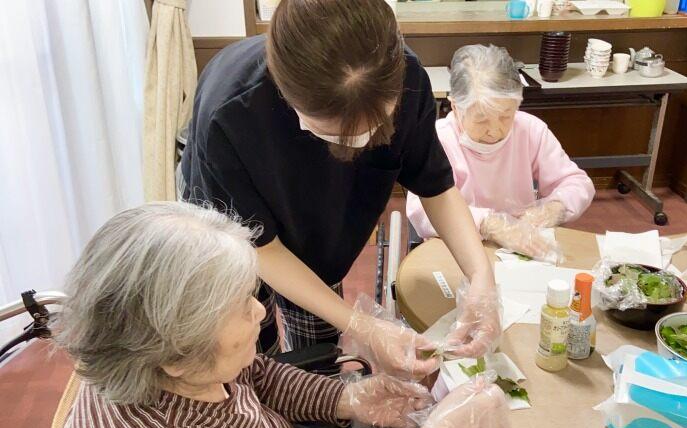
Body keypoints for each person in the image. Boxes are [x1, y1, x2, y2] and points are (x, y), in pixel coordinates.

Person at [179, 0, 499, 377]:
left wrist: (482, 278)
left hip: (321, 227)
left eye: (375, 127)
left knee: (318, 354)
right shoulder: (230, 112)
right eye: (334, 133)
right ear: (287, 96)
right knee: (249, 347)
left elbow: (436, 186)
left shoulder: (407, 77)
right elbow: (260, 247)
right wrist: (363, 325)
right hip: (233, 233)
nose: (357, 145)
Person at [54, 202, 511, 428]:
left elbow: (254, 373)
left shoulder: (156, 349)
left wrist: (345, 398)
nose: (259, 311)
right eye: (238, 308)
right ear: (175, 357)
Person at [407, 44, 595, 259]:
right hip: (458, 247)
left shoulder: (530, 130)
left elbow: (577, 183)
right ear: (456, 106)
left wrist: (554, 207)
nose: (495, 130)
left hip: (521, 246)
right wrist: (491, 224)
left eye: (506, 116)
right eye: (481, 119)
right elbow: (420, 210)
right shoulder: (438, 139)